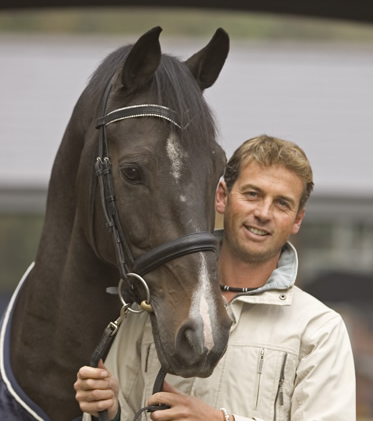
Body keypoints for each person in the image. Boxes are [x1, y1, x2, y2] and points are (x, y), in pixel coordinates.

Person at [75, 135, 356, 421]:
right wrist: (108, 412)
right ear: (222, 196)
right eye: (252, 194)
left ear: (297, 219)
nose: (263, 213)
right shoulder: (154, 306)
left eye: (282, 203)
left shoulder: (320, 330)